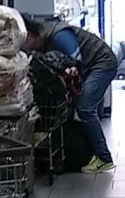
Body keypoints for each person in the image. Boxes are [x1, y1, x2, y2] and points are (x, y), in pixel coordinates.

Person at [22, 16, 118, 174]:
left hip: (101, 63)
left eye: (24, 42)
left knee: (85, 108)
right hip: (92, 65)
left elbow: (75, 65)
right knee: (87, 109)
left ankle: (104, 158)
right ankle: (92, 152)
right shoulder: (45, 41)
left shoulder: (59, 35)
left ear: (31, 35)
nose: (25, 48)